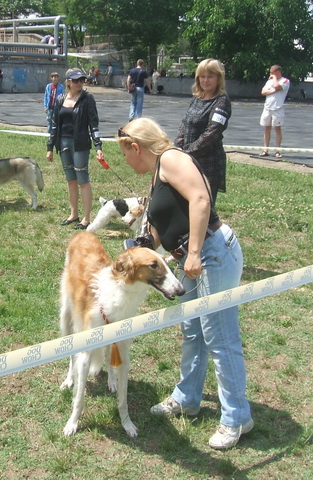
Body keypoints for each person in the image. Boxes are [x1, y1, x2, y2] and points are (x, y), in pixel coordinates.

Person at [116, 117, 252, 450]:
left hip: (212, 254)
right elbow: (163, 226)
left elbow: (201, 199)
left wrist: (193, 253)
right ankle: (187, 398)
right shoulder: (156, 175)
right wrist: (141, 246)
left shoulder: (172, 159)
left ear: (136, 147)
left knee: (220, 337)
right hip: (190, 259)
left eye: (124, 153)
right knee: (193, 331)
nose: (124, 160)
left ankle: (237, 418)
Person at [46, 68, 104, 230]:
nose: (80, 83)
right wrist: (50, 147)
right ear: (69, 82)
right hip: (63, 143)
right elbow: (54, 125)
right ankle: (73, 214)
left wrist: (98, 146)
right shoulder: (60, 99)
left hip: (80, 144)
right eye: (76, 80)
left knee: (82, 180)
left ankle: (86, 218)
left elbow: (94, 124)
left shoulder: (87, 99)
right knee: (70, 179)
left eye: (82, 80)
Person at [175, 58, 231, 205]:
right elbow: (185, 123)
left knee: (203, 206)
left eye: (210, 77)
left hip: (208, 163)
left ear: (218, 78)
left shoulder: (222, 101)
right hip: (188, 160)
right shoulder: (197, 98)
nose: (205, 80)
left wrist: (188, 152)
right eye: (202, 76)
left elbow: (212, 133)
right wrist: (177, 147)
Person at [260, 65, 290, 159]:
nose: (270, 74)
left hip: (278, 108)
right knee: (266, 128)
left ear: (277, 72)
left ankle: (277, 151)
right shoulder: (269, 81)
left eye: (272, 73)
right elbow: (263, 92)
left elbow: (277, 86)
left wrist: (274, 78)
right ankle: (265, 149)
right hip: (267, 108)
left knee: (277, 129)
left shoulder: (285, 81)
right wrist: (273, 91)